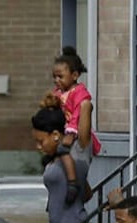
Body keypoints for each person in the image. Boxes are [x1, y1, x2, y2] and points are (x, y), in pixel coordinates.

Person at [32, 93, 98, 223]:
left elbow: (86, 106)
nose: (38, 147)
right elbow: (87, 193)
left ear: (55, 135)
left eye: (40, 141)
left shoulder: (77, 151)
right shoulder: (56, 159)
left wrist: (69, 103)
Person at [50, 46, 101, 203]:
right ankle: (83, 190)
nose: (56, 80)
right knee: (61, 163)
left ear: (75, 75)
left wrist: (71, 133)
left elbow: (78, 114)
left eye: (60, 76)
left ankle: (75, 186)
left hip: (77, 135)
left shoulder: (79, 92)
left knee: (67, 156)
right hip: (62, 134)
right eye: (54, 77)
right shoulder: (58, 93)